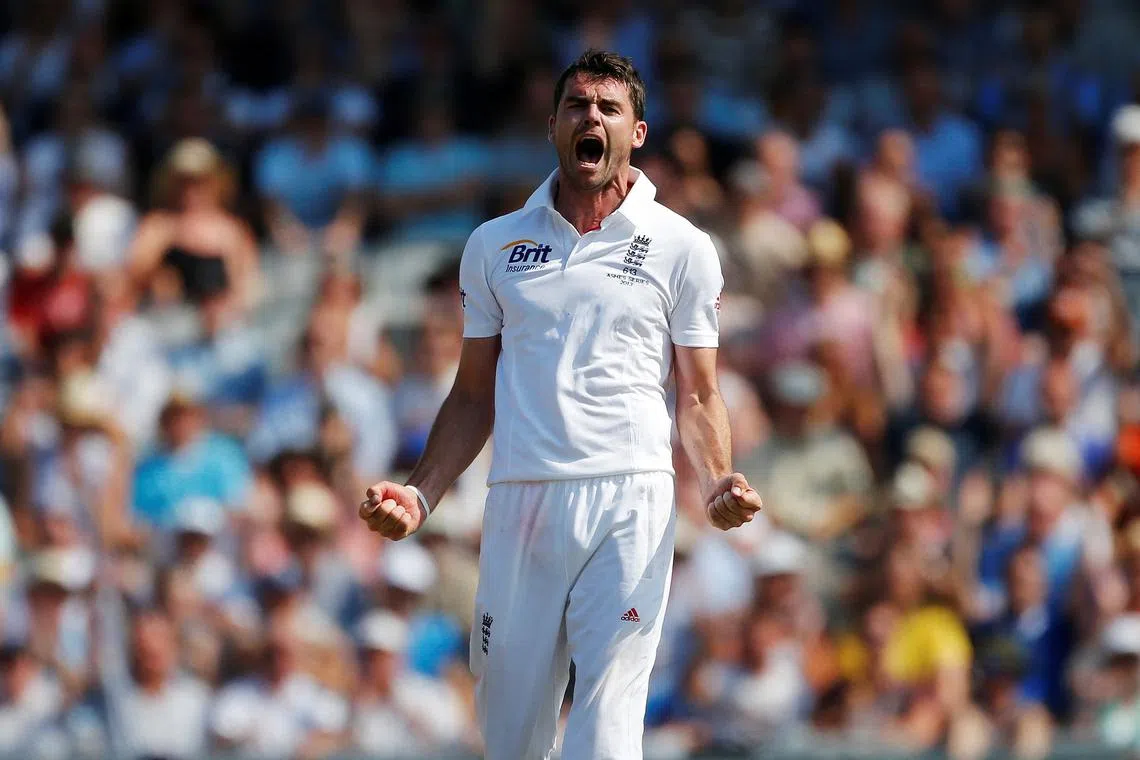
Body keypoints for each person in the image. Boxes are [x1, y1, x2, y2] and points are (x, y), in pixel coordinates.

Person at [359, 50, 762, 760]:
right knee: (511, 733)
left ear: (637, 132)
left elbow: (699, 391)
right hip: (521, 500)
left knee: (608, 721)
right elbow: (472, 394)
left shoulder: (683, 247)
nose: (591, 118)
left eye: (609, 108)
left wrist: (716, 479)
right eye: (577, 106)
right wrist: (421, 495)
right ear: (552, 126)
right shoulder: (493, 246)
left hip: (631, 498)